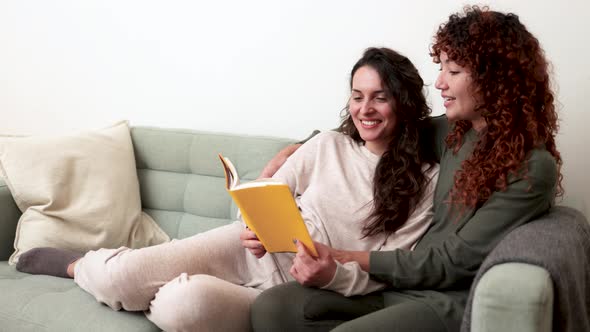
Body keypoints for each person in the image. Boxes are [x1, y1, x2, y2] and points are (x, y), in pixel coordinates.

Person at [15, 47, 439, 332]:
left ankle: (146, 282)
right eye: (357, 96)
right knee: (123, 278)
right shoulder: (327, 144)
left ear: (403, 101)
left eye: (379, 97)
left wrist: (332, 274)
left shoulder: (426, 180)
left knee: (179, 308)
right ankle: (79, 267)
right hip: (251, 251)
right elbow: (267, 195)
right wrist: (253, 222)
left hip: (297, 291)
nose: (365, 109)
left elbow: (391, 269)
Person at [250, 6, 562, 332]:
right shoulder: (455, 133)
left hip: (444, 299)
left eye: (453, 72)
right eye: (441, 68)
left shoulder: (533, 168)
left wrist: (345, 257)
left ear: (496, 78)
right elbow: (376, 124)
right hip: (397, 287)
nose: (439, 82)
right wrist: (297, 148)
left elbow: (453, 260)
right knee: (272, 307)